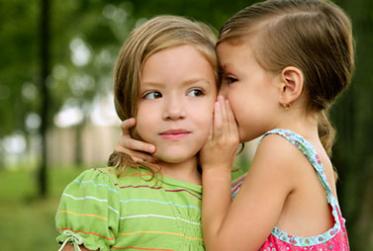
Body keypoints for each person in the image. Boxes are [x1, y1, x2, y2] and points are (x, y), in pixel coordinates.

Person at [117, 0, 354, 250]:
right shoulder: (309, 154)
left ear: (288, 86)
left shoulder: (281, 149)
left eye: (231, 79)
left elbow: (224, 247)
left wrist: (217, 167)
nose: (219, 95)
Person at [55, 15, 247, 251]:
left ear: (220, 98)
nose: (174, 111)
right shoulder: (104, 191)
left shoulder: (239, 199)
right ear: (128, 103)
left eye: (195, 92)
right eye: (153, 94)